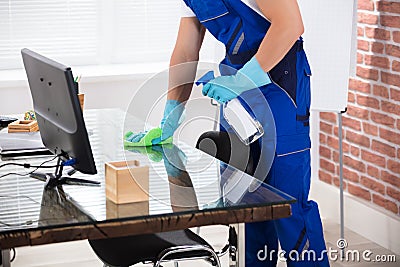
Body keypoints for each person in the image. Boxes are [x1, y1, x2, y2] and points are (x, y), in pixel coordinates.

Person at [126, 0, 329, 266]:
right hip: (235, 89)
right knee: (248, 203)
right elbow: (186, 52)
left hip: (281, 88)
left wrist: (244, 80)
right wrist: (171, 115)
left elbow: (290, 25)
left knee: (288, 205)